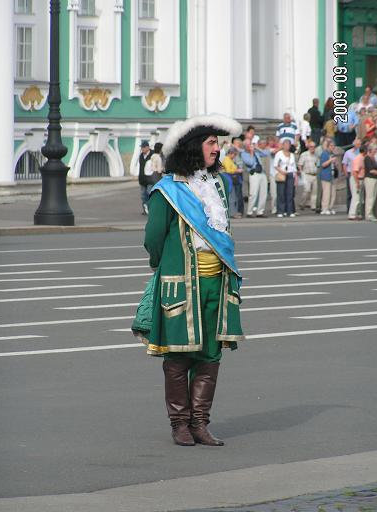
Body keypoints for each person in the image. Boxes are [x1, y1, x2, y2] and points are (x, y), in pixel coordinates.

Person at [132, 114, 244, 447]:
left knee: (210, 356)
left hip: (217, 283)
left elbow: (224, 233)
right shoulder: (167, 191)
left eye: (218, 143)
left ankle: (201, 423)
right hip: (181, 284)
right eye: (211, 143)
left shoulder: (219, 184)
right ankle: (180, 423)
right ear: (194, 148)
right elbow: (153, 239)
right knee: (179, 356)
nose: (217, 148)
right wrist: (163, 265)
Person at [241, 140, 268, 217]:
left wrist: (257, 148)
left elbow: (265, 153)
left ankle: (260, 211)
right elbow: (250, 162)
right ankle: (249, 212)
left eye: (251, 144)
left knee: (263, 193)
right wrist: (251, 153)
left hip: (262, 173)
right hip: (254, 173)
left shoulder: (256, 151)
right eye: (249, 145)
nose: (251, 146)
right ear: (245, 146)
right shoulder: (244, 154)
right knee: (253, 193)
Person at [274, 139, 297, 217]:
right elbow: (275, 165)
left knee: (290, 193)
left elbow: (294, 167)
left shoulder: (292, 155)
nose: (287, 146)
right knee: (281, 193)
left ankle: (289, 211)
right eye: (286, 144)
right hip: (282, 174)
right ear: (283, 145)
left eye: (288, 145)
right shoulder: (279, 154)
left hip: (290, 174)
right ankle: (280, 210)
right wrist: (281, 171)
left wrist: (295, 177)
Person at [221, 147, 243, 218]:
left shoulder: (229, 159)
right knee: (231, 197)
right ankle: (232, 213)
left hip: (230, 179)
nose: (235, 156)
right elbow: (228, 170)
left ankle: (233, 212)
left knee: (233, 196)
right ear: (231, 153)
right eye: (235, 154)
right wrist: (237, 170)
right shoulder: (227, 159)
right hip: (228, 178)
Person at [342, 138, 361, 212]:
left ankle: (357, 209)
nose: (359, 146)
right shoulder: (348, 152)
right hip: (350, 173)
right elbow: (344, 164)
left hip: (359, 173)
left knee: (357, 192)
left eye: (360, 144)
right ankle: (349, 208)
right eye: (357, 144)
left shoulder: (361, 152)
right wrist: (346, 173)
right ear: (354, 145)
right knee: (349, 192)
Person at [298, 141, 318, 210]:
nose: (313, 148)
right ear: (308, 147)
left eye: (314, 147)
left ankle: (313, 206)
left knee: (315, 191)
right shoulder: (304, 154)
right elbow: (300, 164)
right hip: (307, 174)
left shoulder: (316, 155)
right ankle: (302, 203)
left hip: (315, 175)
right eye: (311, 147)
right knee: (307, 190)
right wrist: (301, 173)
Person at [319, 140, 338, 215]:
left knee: (333, 193)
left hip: (333, 175)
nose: (332, 147)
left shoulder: (333, 154)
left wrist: (335, 163)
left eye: (333, 146)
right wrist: (330, 160)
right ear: (328, 146)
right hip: (326, 176)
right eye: (331, 146)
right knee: (326, 193)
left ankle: (330, 207)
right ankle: (324, 208)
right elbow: (323, 164)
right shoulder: (324, 153)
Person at [349, 145, 367, 220]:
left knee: (359, 198)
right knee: (356, 197)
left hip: (360, 178)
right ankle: (352, 214)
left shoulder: (362, 158)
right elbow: (355, 172)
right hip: (356, 179)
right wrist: (357, 183)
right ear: (365, 151)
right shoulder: (358, 159)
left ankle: (357, 213)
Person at [138, 141, 154, 215]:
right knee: (143, 195)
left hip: (150, 179)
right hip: (142, 179)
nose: (142, 149)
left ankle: (151, 209)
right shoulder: (141, 155)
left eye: (143, 147)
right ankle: (145, 210)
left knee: (149, 193)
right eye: (141, 147)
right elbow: (141, 168)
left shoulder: (153, 155)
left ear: (147, 147)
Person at [364, 143, 377, 221]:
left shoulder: (374, 158)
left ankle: (371, 213)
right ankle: (368, 214)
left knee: (374, 197)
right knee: (370, 197)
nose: (376, 151)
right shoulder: (367, 158)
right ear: (370, 150)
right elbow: (371, 170)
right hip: (370, 179)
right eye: (375, 149)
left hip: (375, 179)